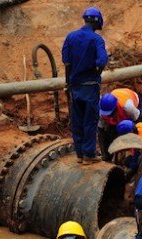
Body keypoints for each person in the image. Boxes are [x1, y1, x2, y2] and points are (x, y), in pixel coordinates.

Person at [62, 7, 108, 165]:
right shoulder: (96, 40)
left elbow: (67, 62)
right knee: (90, 121)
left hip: (75, 86)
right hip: (90, 86)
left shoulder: (71, 37)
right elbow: (102, 60)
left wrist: (68, 83)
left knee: (77, 120)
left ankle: (80, 154)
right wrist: (96, 72)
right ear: (97, 21)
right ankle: (89, 155)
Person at [98, 88, 142, 161]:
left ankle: (136, 157)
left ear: (115, 108)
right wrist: (105, 156)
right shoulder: (102, 110)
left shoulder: (128, 107)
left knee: (131, 130)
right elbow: (101, 132)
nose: (109, 116)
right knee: (110, 133)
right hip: (119, 100)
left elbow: (140, 122)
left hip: (132, 102)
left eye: (110, 114)